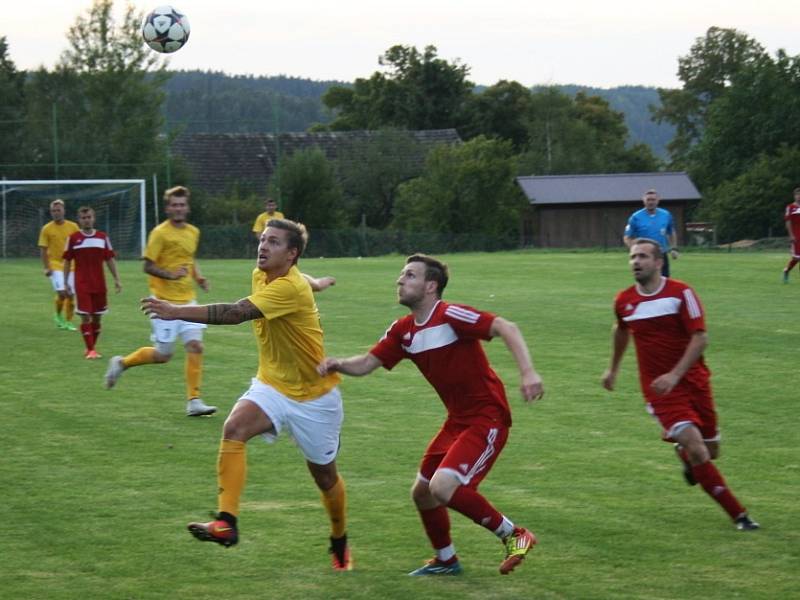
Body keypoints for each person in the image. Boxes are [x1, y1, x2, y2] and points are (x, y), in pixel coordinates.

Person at [140, 218, 351, 571]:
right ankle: (227, 523)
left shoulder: (290, 288)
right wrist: (320, 282)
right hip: (271, 384)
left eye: (273, 242)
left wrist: (176, 311)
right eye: (263, 240)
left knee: (325, 477)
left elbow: (236, 313)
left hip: (315, 397)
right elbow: (306, 281)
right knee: (233, 429)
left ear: (292, 253)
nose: (262, 246)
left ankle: (339, 540)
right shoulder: (264, 275)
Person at [317, 254, 545, 576]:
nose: (400, 280)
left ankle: (515, 535)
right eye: (401, 275)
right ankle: (446, 560)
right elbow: (368, 363)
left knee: (442, 488)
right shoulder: (403, 331)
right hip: (457, 420)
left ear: (430, 286)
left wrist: (528, 373)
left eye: (409, 275)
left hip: (486, 417)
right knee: (422, 493)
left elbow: (506, 327)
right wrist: (338, 363)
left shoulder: (450, 315)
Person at [601, 238, 759, 532]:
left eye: (643, 257)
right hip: (659, 390)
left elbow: (701, 338)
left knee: (710, 452)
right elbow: (622, 330)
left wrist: (675, 374)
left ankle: (685, 455)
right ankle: (739, 515)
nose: (636, 262)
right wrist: (613, 368)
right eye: (633, 257)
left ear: (659, 262)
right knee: (699, 449)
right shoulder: (624, 301)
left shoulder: (681, 293)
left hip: (695, 383)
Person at [104, 186, 216, 417]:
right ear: (168, 208)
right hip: (164, 303)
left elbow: (189, 259)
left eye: (182, 204)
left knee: (196, 346)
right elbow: (147, 265)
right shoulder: (159, 233)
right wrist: (170, 274)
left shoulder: (193, 231)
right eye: (174, 204)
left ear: (187, 207)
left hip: (188, 301)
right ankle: (122, 363)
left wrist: (198, 277)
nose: (178, 208)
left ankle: (194, 400)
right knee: (163, 355)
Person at [63, 207, 122, 359]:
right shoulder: (73, 238)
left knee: (97, 317)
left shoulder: (103, 237)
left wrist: (116, 279)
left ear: (93, 218)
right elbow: (67, 261)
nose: (86, 220)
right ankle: (90, 350)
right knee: (85, 316)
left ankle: (91, 347)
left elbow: (109, 259)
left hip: (99, 284)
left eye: (89, 217)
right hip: (82, 284)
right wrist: (65, 281)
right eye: (83, 218)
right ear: (79, 220)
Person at [38, 199, 80, 331]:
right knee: (62, 292)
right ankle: (57, 315)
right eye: (53, 211)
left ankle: (68, 321)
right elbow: (43, 250)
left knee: (71, 294)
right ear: (51, 212)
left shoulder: (73, 227)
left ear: (64, 211)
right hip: (55, 264)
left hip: (71, 265)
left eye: (58, 210)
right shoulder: (46, 229)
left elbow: (79, 245)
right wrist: (46, 267)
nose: (56, 213)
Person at [624, 189, 679, 277]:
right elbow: (627, 237)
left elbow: (671, 231)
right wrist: (635, 251)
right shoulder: (635, 217)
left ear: (658, 200)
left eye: (653, 199)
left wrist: (673, 248)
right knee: (647, 280)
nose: (651, 202)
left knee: (664, 281)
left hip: (661, 254)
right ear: (643, 200)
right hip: (645, 256)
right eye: (648, 200)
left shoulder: (666, 215)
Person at [781, 187, 800, 283]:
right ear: (794, 196)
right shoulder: (790, 207)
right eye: (798, 194)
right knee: (796, 258)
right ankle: (786, 270)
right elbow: (788, 221)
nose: (799, 196)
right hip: (796, 235)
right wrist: (791, 235)